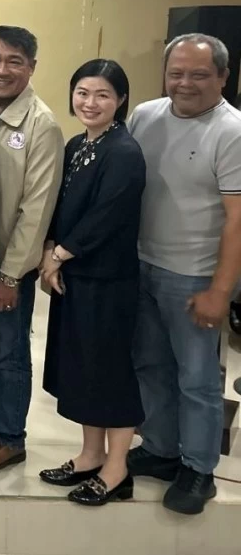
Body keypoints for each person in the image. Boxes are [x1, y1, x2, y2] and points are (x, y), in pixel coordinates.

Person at [127, 33, 241, 515]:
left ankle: (197, 468)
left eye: (198, 74)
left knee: (196, 378)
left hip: (194, 276)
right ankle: (160, 448)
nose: (185, 83)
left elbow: (238, 220)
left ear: (222, 77)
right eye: (176, 72)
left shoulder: (232, 130)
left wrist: (220, 290)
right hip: (140, 266)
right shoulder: (145, 115)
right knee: (150, 367)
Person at [39, 59, 146, 506]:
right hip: (77, 276)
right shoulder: (78, 143)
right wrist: (50, 251)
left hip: (108, 281)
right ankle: (89, 454)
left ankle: (118, 469)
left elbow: (106, 217)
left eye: (103, 94)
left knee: (111, 373)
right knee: (84, 370)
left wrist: (58, 255)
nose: (90, 102)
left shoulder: (123, 151)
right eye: (83, 92)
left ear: (121, 100)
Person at [0, 26, 64, 471]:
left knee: (9, 353)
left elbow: (36, 209)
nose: (2, 70)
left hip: (6, 263)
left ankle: (7, 435)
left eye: (14, 61)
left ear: (31, 67)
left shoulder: (42, 125)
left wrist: (10, 275)